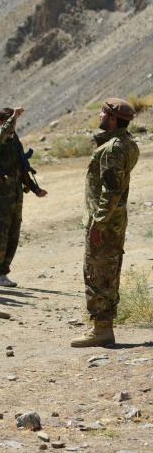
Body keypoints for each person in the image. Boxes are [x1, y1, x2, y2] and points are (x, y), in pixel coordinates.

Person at [71, 99, 138, 347]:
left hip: (105, 222)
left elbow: (111, 191)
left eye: (103, 113)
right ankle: (103, 327)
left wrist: (98, 224)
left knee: (98, 273)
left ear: (112, 119)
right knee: (108, 271)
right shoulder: (125, 144)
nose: (99, 115)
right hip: (113, 220)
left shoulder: (113, 149)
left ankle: (101, 329)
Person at [0, 106, 47, 287]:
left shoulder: (15, 141)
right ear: (0, 122)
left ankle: (2, 271)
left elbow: (22, 168)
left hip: (16, 195)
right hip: (2, 194)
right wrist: (13, 118)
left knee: (13, 235)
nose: (11, 126)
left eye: (13, 122)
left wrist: (35, 189)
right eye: (8, 122)